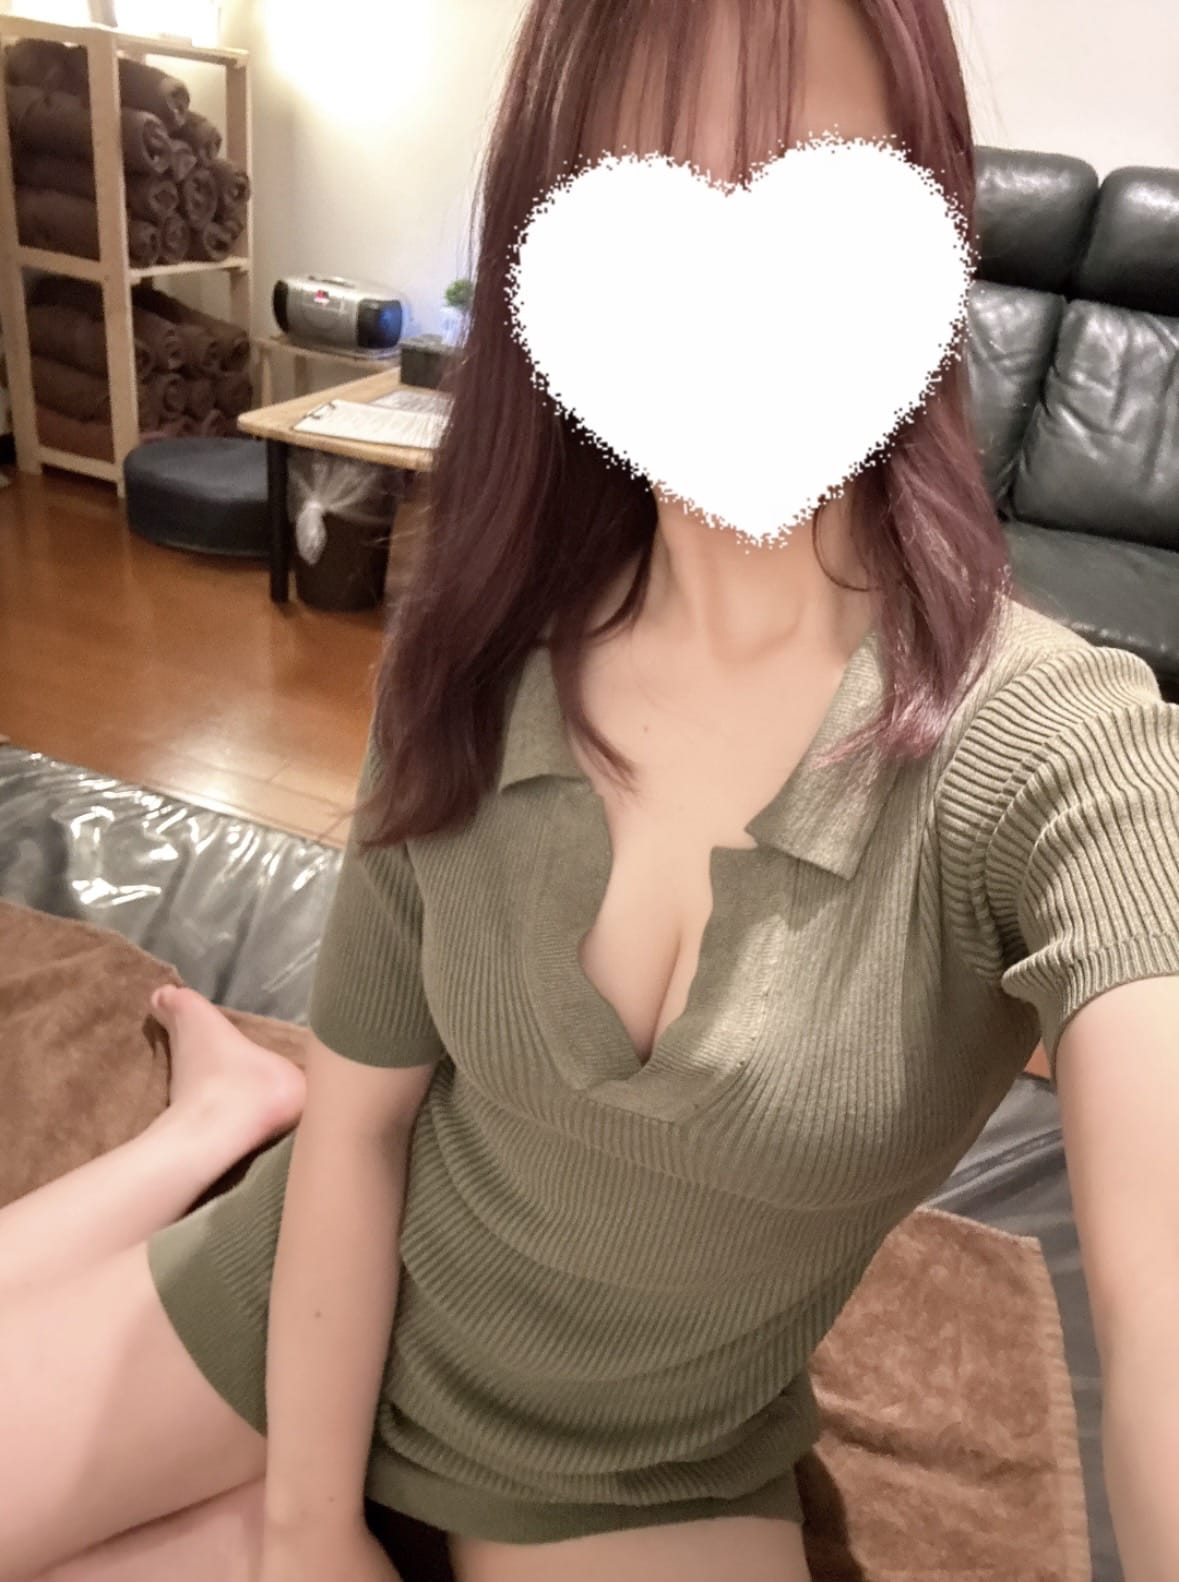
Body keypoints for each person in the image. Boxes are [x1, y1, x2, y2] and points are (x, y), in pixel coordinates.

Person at [4, 1, 1179, 1580]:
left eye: (809, 186)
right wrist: (305, 1526)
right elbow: (362, 1133)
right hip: (305, 1292)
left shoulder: (1054, 753)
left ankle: (216, 1119)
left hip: (641, 1476)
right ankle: (214, 1123)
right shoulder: (474, 656)